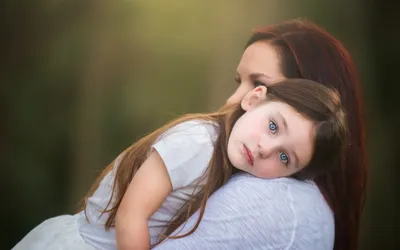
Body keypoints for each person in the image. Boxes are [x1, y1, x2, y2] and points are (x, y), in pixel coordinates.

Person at [12, 79, 347, 250]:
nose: (265, 149)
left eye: (285, 158)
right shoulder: (198, 143)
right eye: (273, 126)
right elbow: (131, 215)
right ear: (253, 99)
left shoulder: (228, 159)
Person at [155, 19, 367, 250]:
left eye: (258, 82)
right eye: (240, 81)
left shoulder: (268, 200)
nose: (233, 100)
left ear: (310, 98)